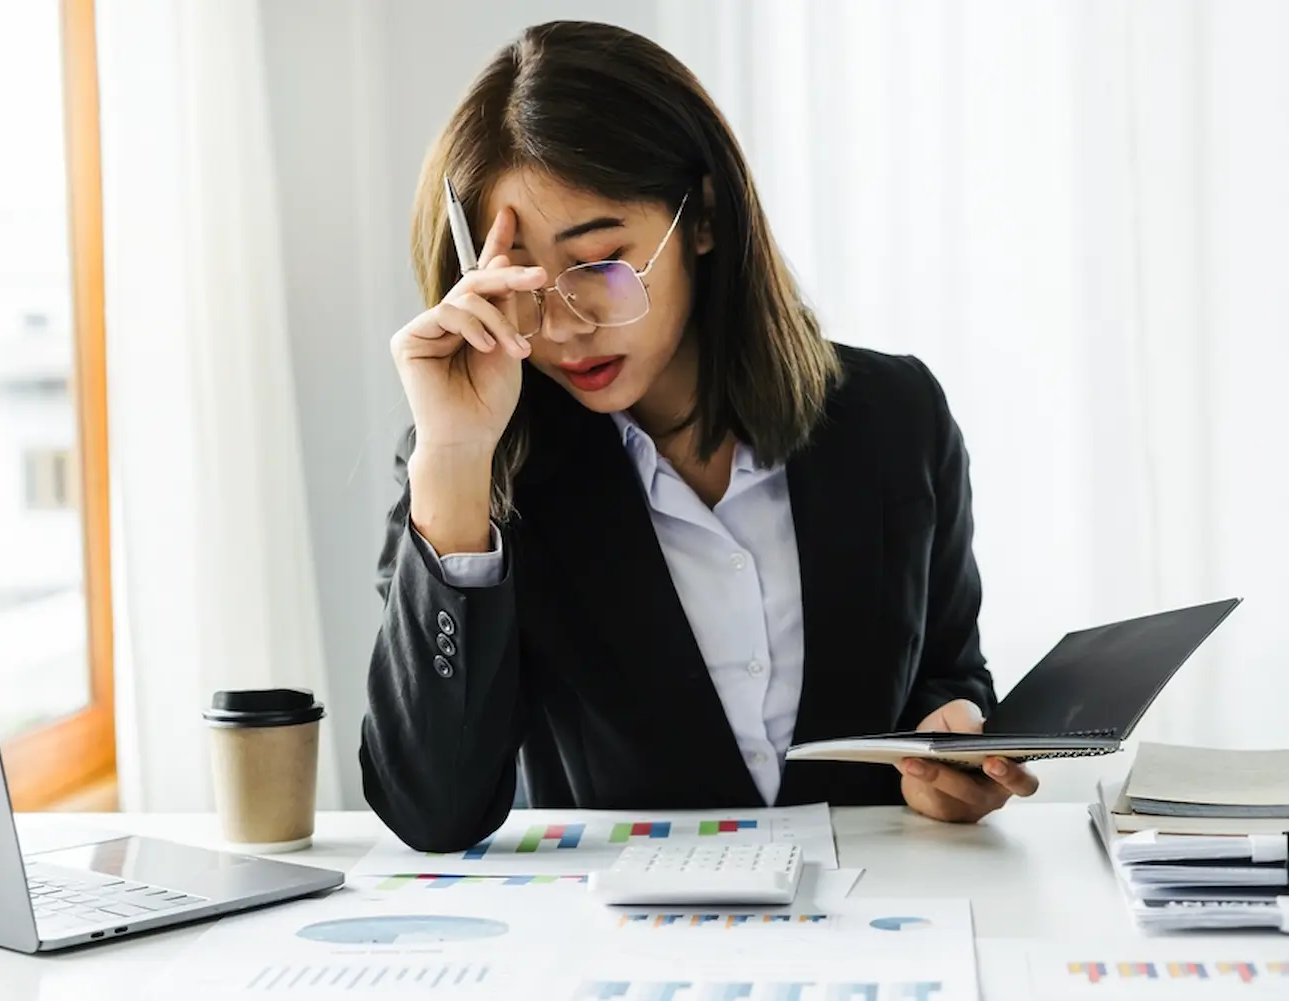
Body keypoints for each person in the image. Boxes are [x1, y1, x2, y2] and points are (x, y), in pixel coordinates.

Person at [361, 20, 1038, 853]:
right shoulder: (476, 465)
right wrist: (457, 461)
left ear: (705, 217)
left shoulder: (893, 416)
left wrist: (955, 753)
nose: (563, 329)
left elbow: (948, 671)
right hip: (619, 950)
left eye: (601, 264)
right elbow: (432, 812)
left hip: (877, 921)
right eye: (521, 286)